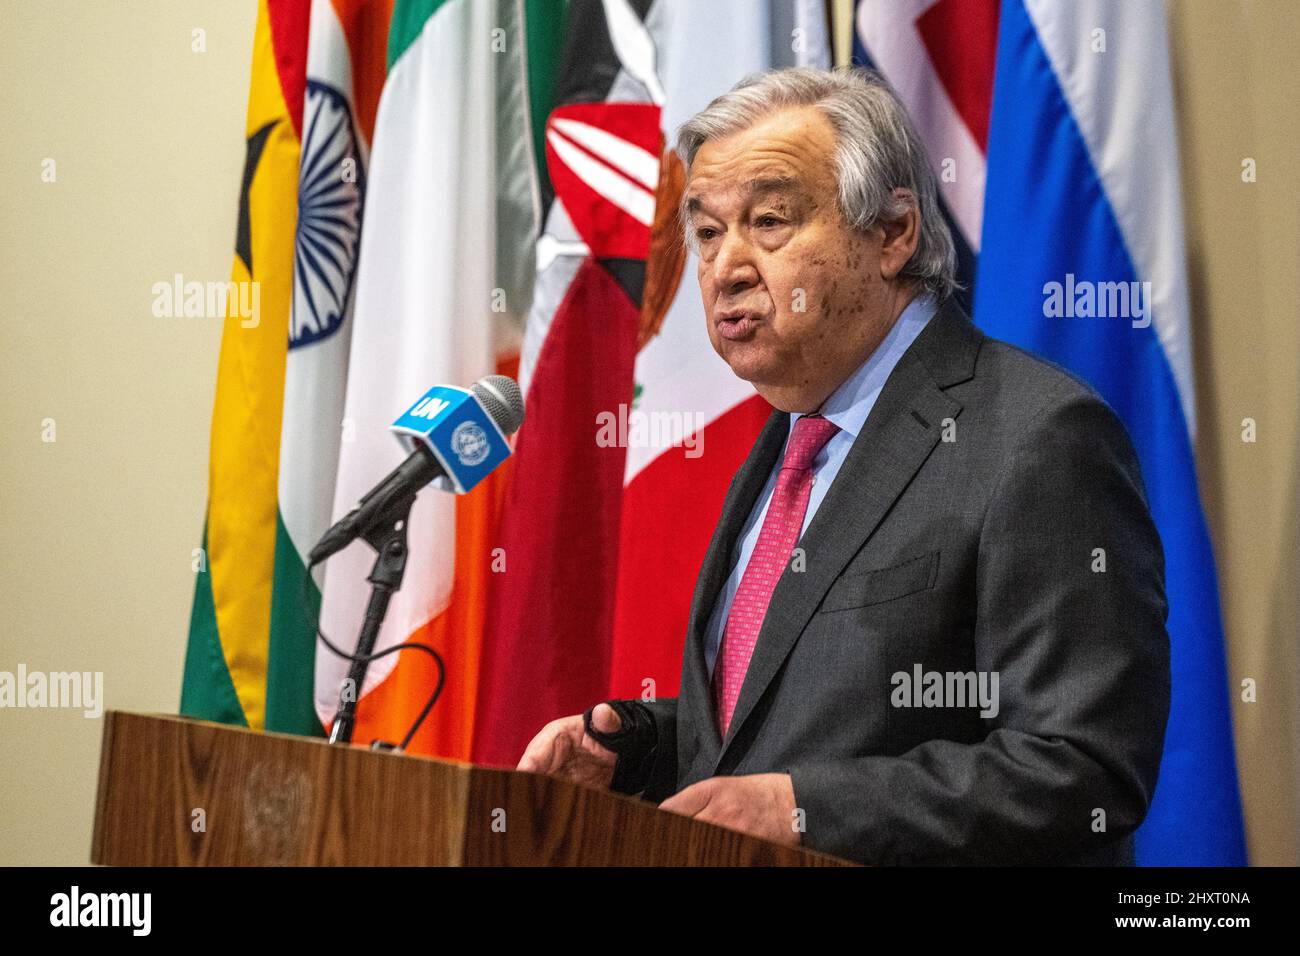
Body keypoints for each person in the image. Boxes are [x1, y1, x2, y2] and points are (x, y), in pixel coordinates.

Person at [518, 67, 1170, 866]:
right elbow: (815, 712)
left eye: (769, 221)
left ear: (893, 233)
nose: (726, 267)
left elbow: (1083, 768)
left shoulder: (1037, 436)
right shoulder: (790, 438)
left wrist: (804, 812)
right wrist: (644, 748)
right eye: (708, 231)